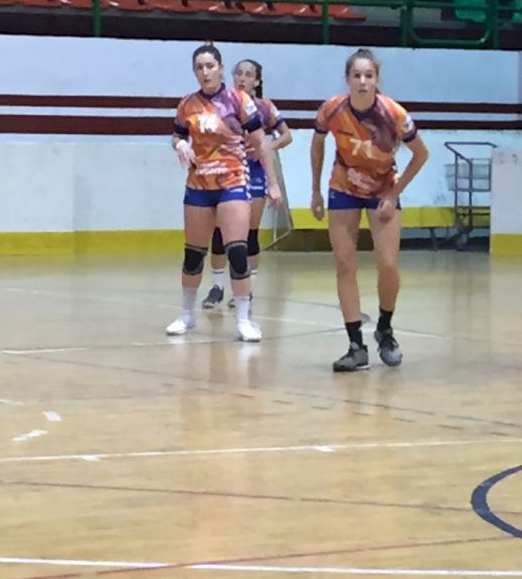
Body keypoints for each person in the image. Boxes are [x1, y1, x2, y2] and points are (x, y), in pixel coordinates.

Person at [310, 48, 429, 372]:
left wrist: (393, 193)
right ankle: (355, 345)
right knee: (344, 264)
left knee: (388, 264)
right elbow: (317, 144)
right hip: (343, 188)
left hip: (381, 191)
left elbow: (421, 154)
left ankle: (385, 329)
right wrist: (316, 190)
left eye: (369, 75)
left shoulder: (393, 113)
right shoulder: (332, 109)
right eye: (356, 75)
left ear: (376, 80)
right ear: (347, 79)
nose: (362, 81)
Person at [169, 44, 281, 342]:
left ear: (220, 68)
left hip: (232, 182)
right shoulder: (187, 104)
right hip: (198, 185)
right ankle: (186, 314)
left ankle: (243, 320)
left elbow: (260, 143)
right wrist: (180, 144)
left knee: (238, 251)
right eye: (199, 67)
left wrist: (272, 183)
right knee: (193, 254)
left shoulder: (238, 100)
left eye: (210, 66)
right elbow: (177, 135)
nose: (205, 72)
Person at [201, 58, 293, 309]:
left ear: (257, 81)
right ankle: (217, 287)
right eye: (239, 73)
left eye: (248, 74)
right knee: (220, 231)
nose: (242, 78)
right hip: (227, 171)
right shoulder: (221, 103)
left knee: (249, 233)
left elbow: (286, 135)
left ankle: (246, 289)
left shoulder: (264, 107)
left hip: (254, 172)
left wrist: (267, 146)